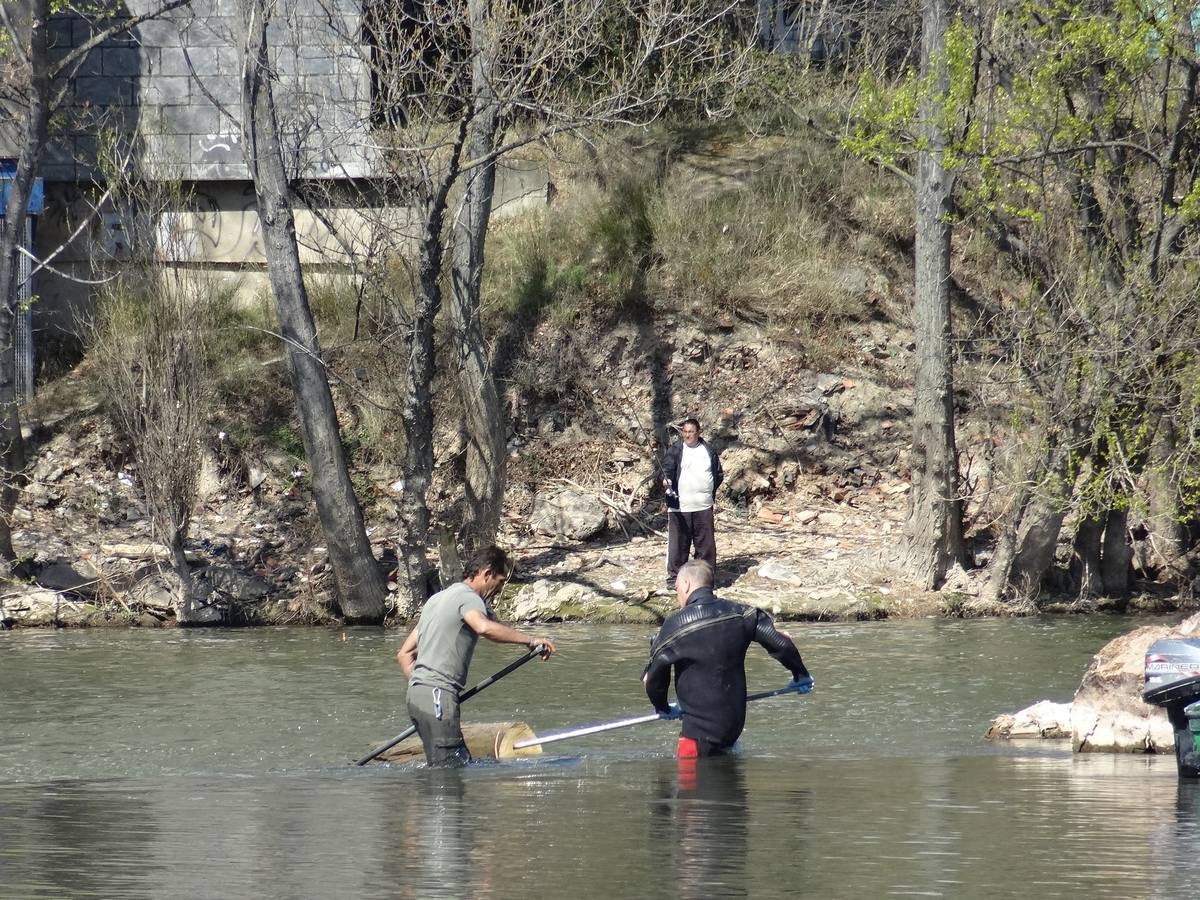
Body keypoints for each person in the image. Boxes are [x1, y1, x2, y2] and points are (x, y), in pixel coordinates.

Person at [396, 545, 555, 767]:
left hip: (417, 696)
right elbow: (483, 627)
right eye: (499, 582)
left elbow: (404, 654)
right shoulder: (469, 598)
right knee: (450, 771)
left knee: (448, 764)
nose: (499, 589)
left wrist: (421, 687)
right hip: (437, 694)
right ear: (486, 573)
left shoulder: (437, 600)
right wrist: (530, 640)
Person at [644, 559, 813, 758]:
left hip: (696, 738)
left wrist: (662, 707)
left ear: (687, 584)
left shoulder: (675, 625)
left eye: (677, 588)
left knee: (690, 786)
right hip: (733, 728)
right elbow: (782, 644)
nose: (677, 595)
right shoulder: (742, 613)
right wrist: (800, 675)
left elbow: (653, 679)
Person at [662, 417, 723, 589]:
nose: (687, 435)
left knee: (706, 546)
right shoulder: (675, 450)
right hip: (679, 506)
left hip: (703, 505)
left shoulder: (708, 450)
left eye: (691, 432)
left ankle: (705, 580)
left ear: (698, 432)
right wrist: (666, 481)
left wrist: (707, 492)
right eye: (685, 432)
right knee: (678, 546)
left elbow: (718, 474)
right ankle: (675, 580)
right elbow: (666, 470)